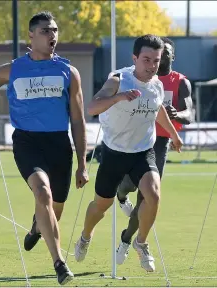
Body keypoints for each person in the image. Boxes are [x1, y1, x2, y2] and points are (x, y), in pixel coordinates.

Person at [0, 11, 89, 285]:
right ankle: (60, 263)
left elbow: (78, 120)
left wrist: (82, 164)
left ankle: (37, 225)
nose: (52, 35)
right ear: (31, 36)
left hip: (59, 144)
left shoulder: (69, 72)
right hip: (27, 142)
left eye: (54, 30)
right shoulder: (12, 69)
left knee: (53, 208)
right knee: (42, 192)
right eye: (45, 30)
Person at [74, 35, 183, 273]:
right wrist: (119, 97)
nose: (152, 65)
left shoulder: (157, 84)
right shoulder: (118, 79)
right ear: (134, 58)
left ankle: (141, 243)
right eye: (146, 60)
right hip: (114, 153)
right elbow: (91, 108)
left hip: (142, 152)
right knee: (100, 207)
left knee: (153, 195)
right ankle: (85, 236)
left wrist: (174, 135)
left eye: (156, 60)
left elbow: (158, 110)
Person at [115, 37, 193, 268]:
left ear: (172, 57)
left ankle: (128, 241)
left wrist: (176, 115)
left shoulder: (180, 82)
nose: (163, 58)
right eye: (160, 54)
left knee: (148, 197)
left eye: (166, 54)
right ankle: (120, 195)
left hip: (160, 142)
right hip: (137, 137)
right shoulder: (143, 77)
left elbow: (190, 113)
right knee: (128, 185)